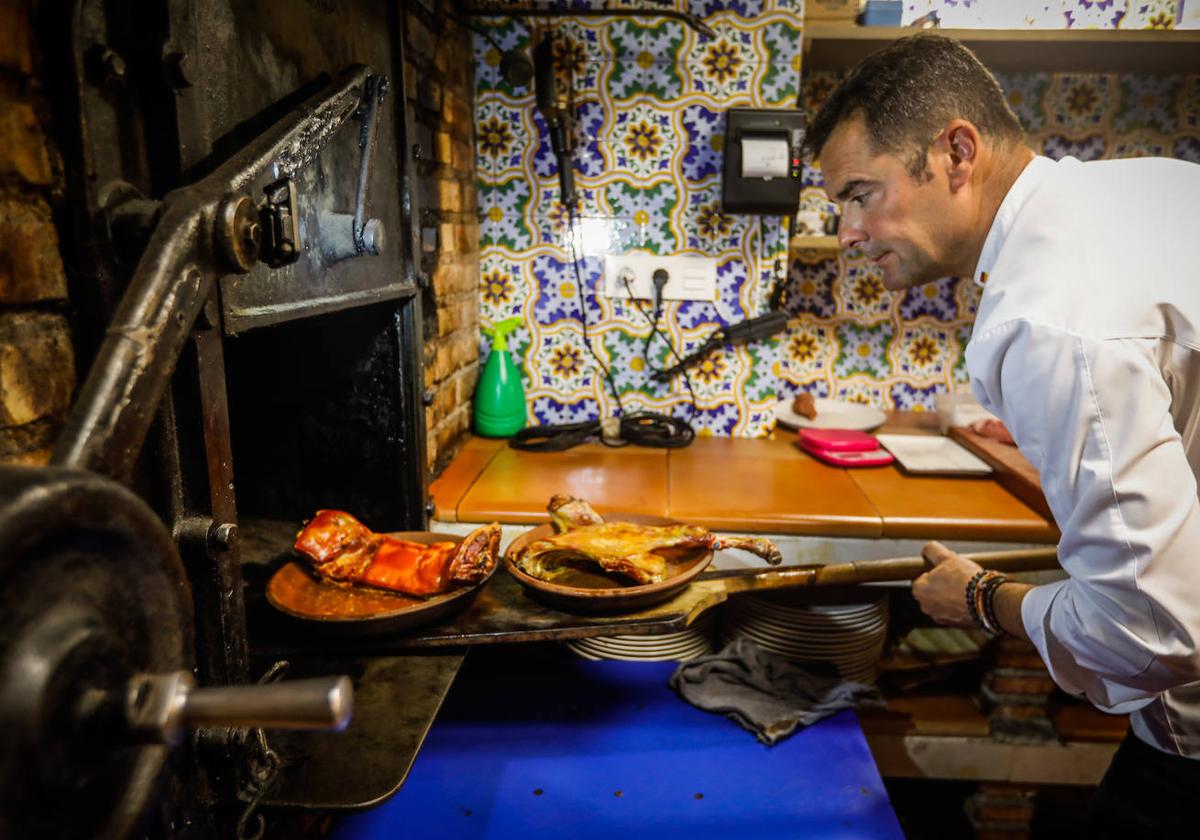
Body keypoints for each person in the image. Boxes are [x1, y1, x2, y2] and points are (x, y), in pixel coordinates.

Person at [804, 33, 1200, 835]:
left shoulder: (1048, 317)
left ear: (956, 151)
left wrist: (982, 598)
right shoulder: (1155, 190)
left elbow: (1152, 631)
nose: (847, 233)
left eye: (858, 193)